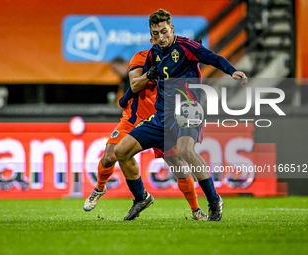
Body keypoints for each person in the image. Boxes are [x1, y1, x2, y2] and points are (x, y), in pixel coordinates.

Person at [114, 9, 248, 221]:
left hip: (188, 109)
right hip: (161, 116)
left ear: (172, 29)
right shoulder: (153, 54)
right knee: (121, 151)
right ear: (151, 35)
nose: (161, 37)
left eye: (164, 31)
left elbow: (212, 58)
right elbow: (140, 83)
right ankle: (141, 198)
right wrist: (124, 99)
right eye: (156, 33)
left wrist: (232, 71)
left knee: (185, 150)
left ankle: (214, 201)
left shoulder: (186, 46)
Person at [83, 42, 207, 221]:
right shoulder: (140, 58)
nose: (161, 40)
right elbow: (133, 86)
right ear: (152, 40)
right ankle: (100, 188)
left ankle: (196, 210)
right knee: (110, 156)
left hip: (160, 119)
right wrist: (143, 81)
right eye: (156, 35)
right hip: (133, 118)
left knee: (177, 163)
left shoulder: (176, 62)